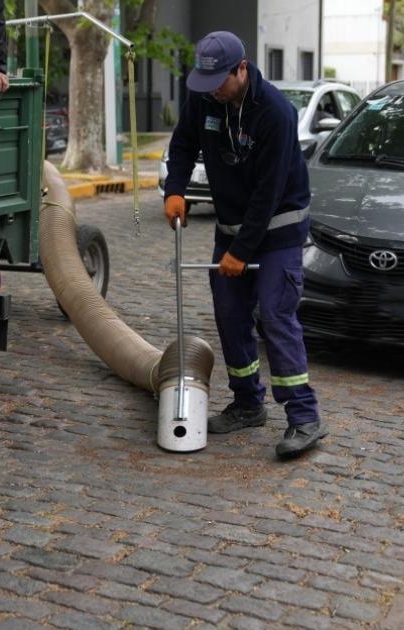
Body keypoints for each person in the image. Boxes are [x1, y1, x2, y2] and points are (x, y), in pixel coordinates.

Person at [162, 31, 326, 458]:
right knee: (230, 313)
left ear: (241, 68)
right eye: (206, 81)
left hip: (278, 229)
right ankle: (248, 403)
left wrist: (240, 252)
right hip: (233, 227)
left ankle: (304, 416)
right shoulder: (205, 99)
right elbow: (182, 145)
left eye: (220, 80)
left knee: (274, 314)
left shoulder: (275, 112)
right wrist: (174, 190)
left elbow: (270, 192)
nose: (213, 89)